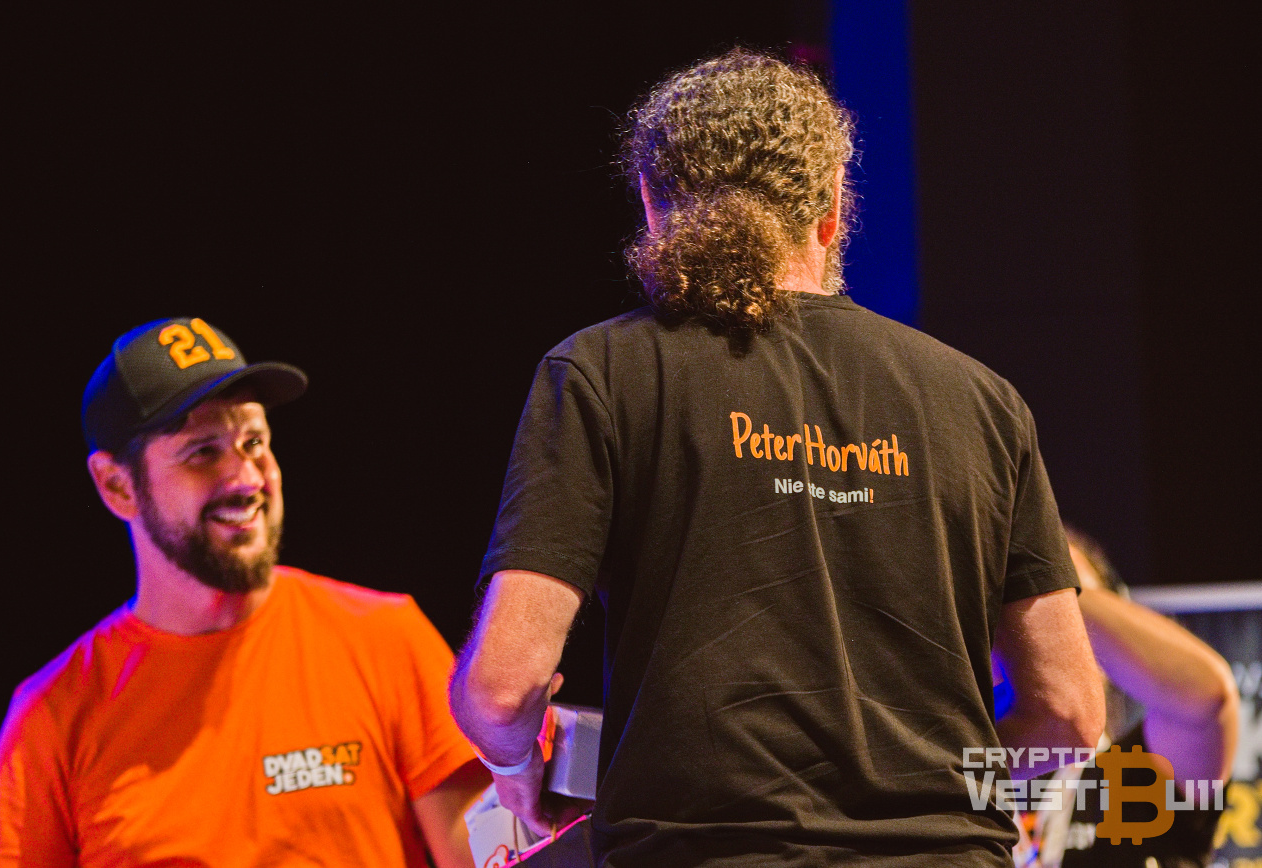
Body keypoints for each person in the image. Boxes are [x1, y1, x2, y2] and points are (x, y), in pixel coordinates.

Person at [450, 48, 1105, 867]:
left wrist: (517, 771)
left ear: (653, 204)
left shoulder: (603, 373)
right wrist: (934, 789)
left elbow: (501, 686)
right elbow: (1070, 714)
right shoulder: (982, 401)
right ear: (832, 205)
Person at [0, 317, 489, 867]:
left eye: (254, 442)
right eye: (203, 451)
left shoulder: (386, 640)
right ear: (117, 485)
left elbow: (487, 854)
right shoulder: (52, 718)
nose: (247, 479)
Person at [1013, 528, 1237, 867]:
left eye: (1070, 615)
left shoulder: (1134, 776)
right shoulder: (965, 778)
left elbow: (1205, 697)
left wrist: (1038, 577)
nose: (1048, 630)